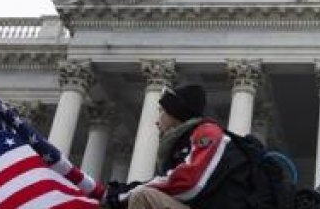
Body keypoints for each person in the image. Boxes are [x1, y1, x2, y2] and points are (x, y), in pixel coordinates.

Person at [103, 84, 256, 209]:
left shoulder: (207, 133)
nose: (156, 121)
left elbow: (190, 183)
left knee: (143, 197)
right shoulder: (182, 144)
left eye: (161, 111)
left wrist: (121, 195)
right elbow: (168, 181)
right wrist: (119, 193)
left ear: (174, 113)